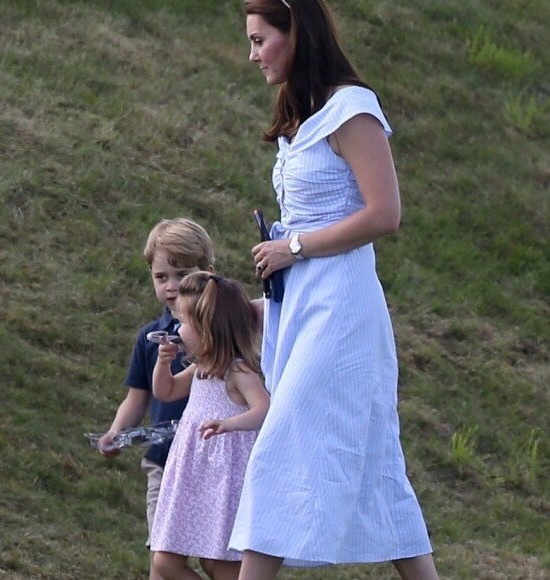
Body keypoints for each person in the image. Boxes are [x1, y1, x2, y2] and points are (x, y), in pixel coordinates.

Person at [229, 1, 440, 579]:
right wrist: (279, 249)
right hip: (301, 303)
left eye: (259, 39)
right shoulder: (298, 116)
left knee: (277, 450)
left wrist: (293, 248)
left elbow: (384, 214)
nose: (251, 55)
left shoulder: (350, 108)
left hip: (342, 307)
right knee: (376, 466)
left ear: (295, 33)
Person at [97, 217, 215, 580]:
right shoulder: (151, 337)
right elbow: (137, 396)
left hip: (214, 462)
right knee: (162, 563)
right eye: (161, 277)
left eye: (182, 275)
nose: (172, 286)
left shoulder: (224, 331)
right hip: (164, 463)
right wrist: (117, 432)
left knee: (218, 561)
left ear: (208, 273)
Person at [150, 272, 270, 580]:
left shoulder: (237, 370)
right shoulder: (201, 367)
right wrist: (163, 363)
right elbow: (166, 391)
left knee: (220, 566)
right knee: (164, 562)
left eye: (185, 323)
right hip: (192, 473)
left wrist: (230, 423)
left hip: (224, 479)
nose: (178, 329)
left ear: (208, 330)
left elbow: (263, 409)